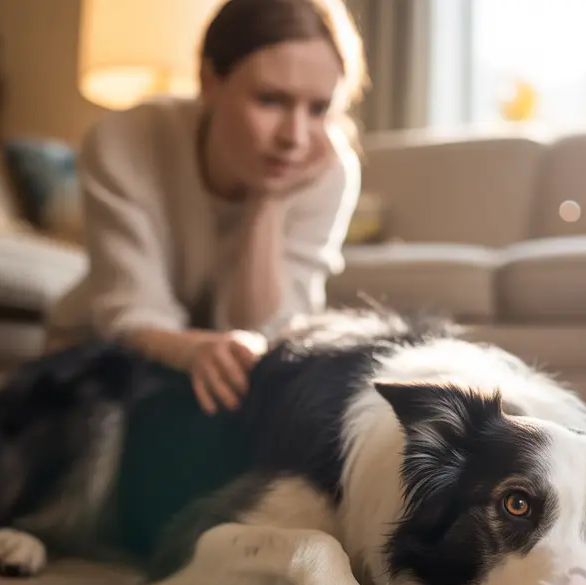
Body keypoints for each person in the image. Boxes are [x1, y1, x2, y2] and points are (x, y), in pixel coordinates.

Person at [44, 0, 367, 417]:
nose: (295, 137)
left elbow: (266, 332)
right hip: (96, 351)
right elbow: (132, 309)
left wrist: (268, 200)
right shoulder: (122, 141)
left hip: (219, 371)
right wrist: (197, 351)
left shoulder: (327, 168)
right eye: (271, 100)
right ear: (208, 80)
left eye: (319, 109)